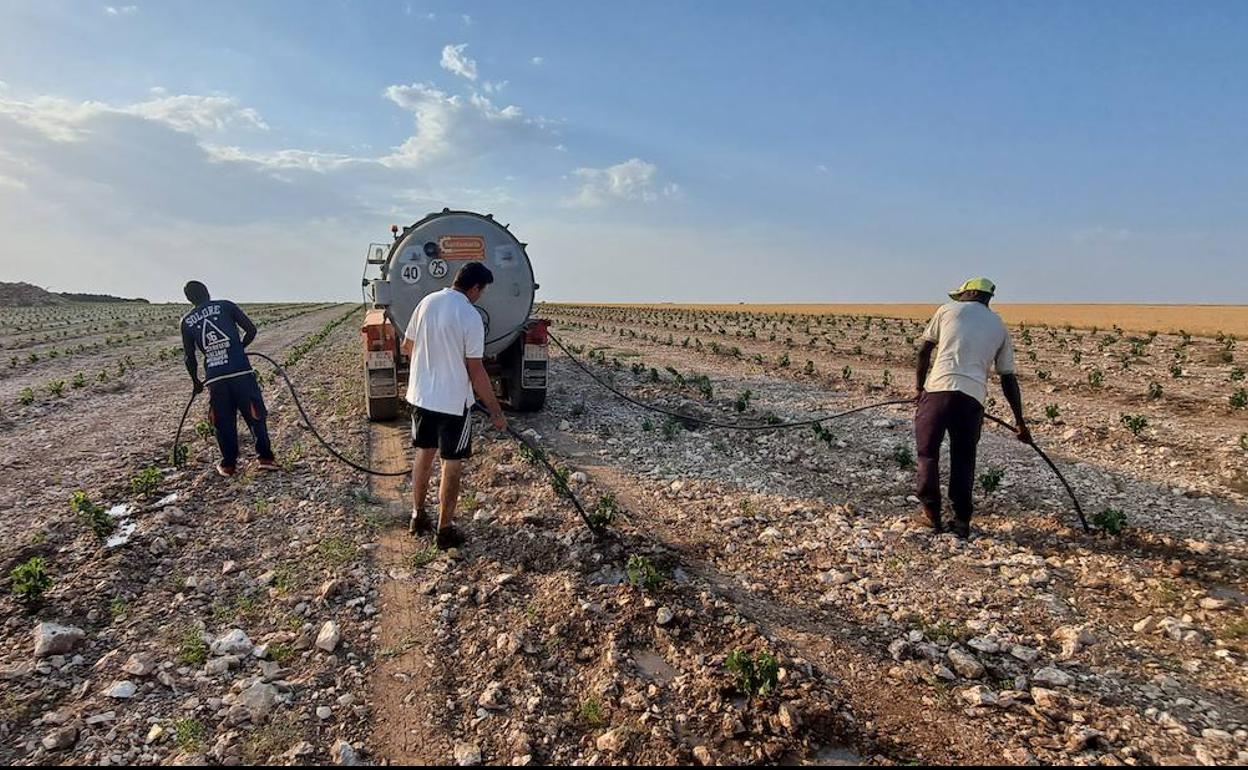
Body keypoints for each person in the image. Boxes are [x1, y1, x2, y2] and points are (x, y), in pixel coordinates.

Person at [914, 277, 1030, 538]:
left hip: (938, 393)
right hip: (972, 399)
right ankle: (962, 521)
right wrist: (1020, 422)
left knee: (927, 453)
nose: (959, 299)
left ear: (972, 293)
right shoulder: (999, 326)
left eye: (962, 294)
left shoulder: (946, 310)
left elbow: (924, 351)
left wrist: (919, 390)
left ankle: (931, 514)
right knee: (964, 460)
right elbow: (1008, 377)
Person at [402, 262, 507, 550]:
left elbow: (406, 347)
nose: (479, 296)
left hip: (421, 397)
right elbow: (476, 370)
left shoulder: (426, 302)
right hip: (453, 404)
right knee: (452, 464)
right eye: (481, 291)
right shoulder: (470, 316)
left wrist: (429, 365)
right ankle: (444, 530)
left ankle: (417, 515)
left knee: (424, 455)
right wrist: (496, 411)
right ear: (474, 287)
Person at [180, 281, 278, 477]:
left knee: (222, 421)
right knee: (255, 414)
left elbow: (189, 357)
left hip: (215, 379)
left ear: (189, 299)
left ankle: (229, 465)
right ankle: (265, 458)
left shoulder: (186, 321)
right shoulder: (226, 306)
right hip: (241, 372)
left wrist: (196, 382)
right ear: (207, 292)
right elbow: (251, 330)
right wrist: (239, 349)